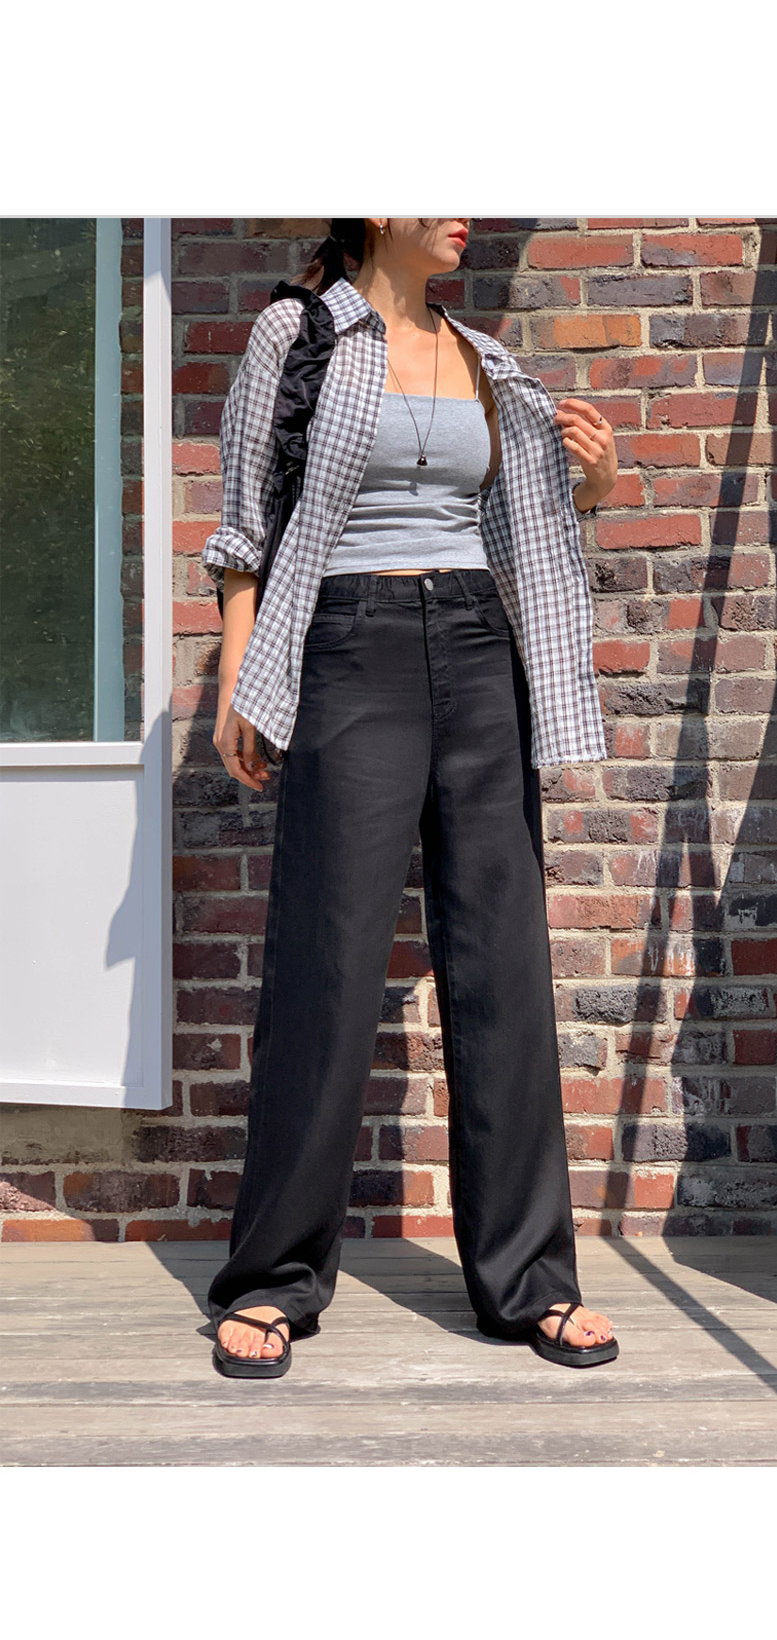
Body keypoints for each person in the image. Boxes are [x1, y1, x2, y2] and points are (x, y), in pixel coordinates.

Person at [201, 217, 620, 1379]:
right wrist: (239, 678)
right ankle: (273, 1278)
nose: (462, 209)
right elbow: (245, 524)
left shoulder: (488, 360)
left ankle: (531, 1280)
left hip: (481, 649)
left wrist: (592, 485)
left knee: (501, 964)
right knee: (327, 963)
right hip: (349, 644)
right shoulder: (297, 335)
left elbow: (522, 526)